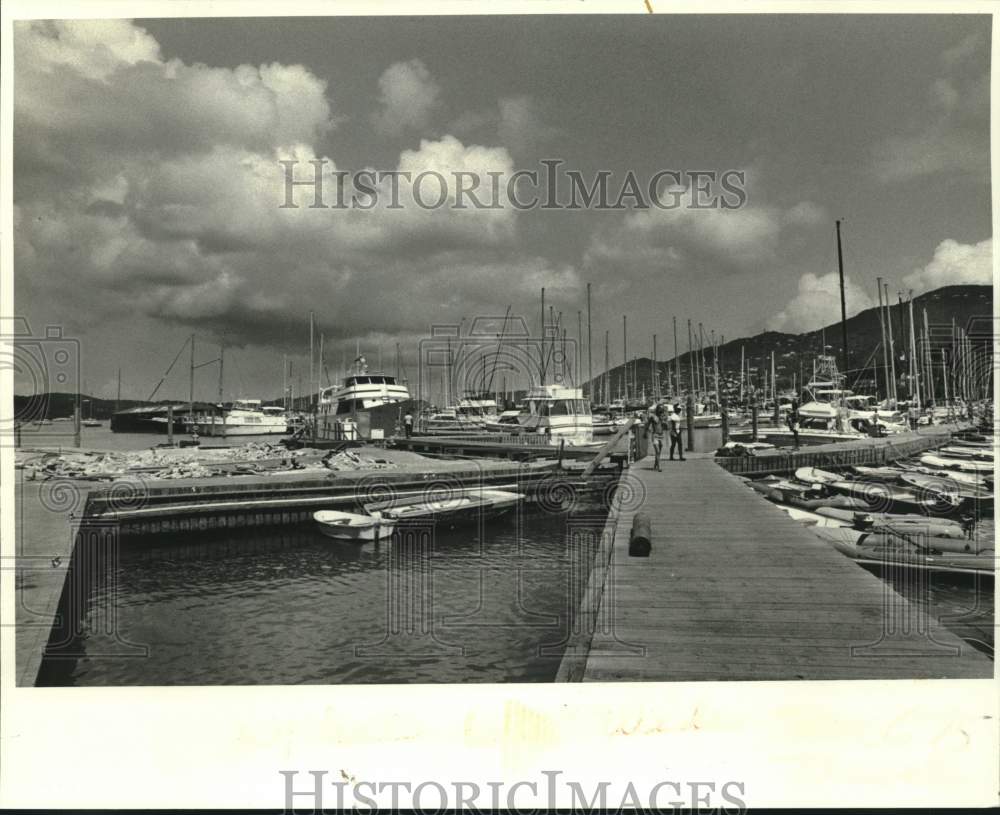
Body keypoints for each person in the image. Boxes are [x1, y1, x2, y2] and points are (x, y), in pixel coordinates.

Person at [644, 404, 665, 471]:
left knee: (659, 452)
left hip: (661, 435)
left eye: (661, 410)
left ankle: (655, 466)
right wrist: (645, 432)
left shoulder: (662, 417)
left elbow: (664, 426)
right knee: (657, 451)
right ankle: (658, 467)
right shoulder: (653, 417)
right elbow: (647, 424)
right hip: (655, 435)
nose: (661, 411)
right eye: (660, 410)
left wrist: (664, 422)